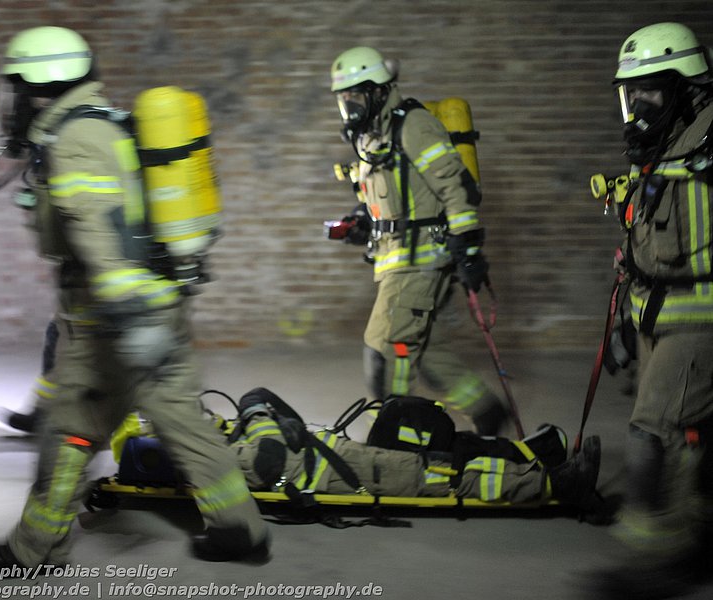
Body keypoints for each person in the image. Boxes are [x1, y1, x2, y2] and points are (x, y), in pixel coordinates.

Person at [0, 25, 269, 566]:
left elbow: (99, 233)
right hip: (160, 304)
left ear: (42, 80)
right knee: (182, 421)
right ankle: (240, 531)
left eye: (17, 86)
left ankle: (35, 548)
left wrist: (132, 320)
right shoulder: (100, 126)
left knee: (70, 432)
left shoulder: (76, 142)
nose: (13, 100)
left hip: (109, 321)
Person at [585, 22, 713, 599]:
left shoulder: (707, 146)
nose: (637, 106)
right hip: (655, 317)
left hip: (701, 318)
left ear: (687, 90)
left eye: (651, 92)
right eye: (629, 93)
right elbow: (641, 251)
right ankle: (696, 539)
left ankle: (649, 561)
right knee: (692, 433)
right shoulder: (658, 153)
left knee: (650, 433)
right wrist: (622, 323)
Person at [328, 47, 511, 435]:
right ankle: (488, 411)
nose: (351, 109)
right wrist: (363, 222)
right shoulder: (372, 137)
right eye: (344, 101)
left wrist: (469, 245)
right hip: (398, 259)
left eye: (356, 98)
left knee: (385, 350)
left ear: (378, 92)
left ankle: (396, 439)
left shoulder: (412, 124)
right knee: (428, 354)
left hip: (418, 262)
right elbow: (386, 196)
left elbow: (453, 183)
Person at [222, 388, 600, 508]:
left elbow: (256, 406)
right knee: (439, 476)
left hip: (328, 453)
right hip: (330, 471)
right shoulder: (201, 457)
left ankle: (531, 453)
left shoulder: (197, 433)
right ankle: (556, 485)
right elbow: (266, 459)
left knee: (433, 449)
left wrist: (254, 410)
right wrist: (260, 420)